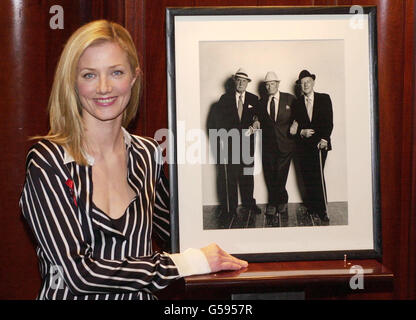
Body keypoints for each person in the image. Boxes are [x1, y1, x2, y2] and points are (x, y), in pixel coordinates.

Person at [19, 20, 247, 300]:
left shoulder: (147, 154)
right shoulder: (47, 161)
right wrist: (188, 262)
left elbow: (178, 233)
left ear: (134, 78)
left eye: (116, 72)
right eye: (89, 75)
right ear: (73, 83)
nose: (104, 87)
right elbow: (78, 274)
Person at [207, 68, 261, 226]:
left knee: (247, 174)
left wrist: (256, 122)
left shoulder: (253, 98)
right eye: (238, 80)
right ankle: (230, 208)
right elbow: (216, 120)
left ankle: (249, 203)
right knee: (230, 176)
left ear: (247, 83)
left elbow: (258, 116)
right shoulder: (225, 99)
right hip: (230, 144)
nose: (241, 83)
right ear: (234, 82)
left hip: (247, 144)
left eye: (244, 81)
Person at [291, 70, 333, 225]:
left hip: (319, 145)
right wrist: (301, 132)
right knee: (307, 177)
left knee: (317, 175)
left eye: (308, 81)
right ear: (300, 86)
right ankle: (313, 206)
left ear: (313, 82)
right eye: (302, 83)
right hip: (303, 147)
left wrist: (324, 139)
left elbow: (329, 121)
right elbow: (294, 127)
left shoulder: (324, 98)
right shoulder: (297, 103)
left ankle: (323, 210)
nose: (305, 85)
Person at [257, 72, 296, 217]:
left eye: (272, 83)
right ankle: (280, 200)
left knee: (281, 174)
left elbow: (299, 114)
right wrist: (255, 120)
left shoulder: (289, 98)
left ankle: (274, 202)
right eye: (267, 84)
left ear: (278, 84)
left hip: (285, 143)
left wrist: (296, 124)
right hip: (268, 145)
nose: (269, 86)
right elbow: (256, 115)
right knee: (270, 174)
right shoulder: (261, 102)